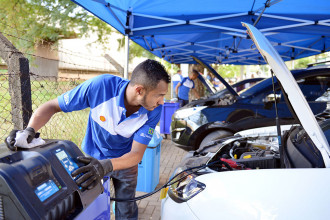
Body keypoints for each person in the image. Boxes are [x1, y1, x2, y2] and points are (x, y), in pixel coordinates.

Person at [5, 59, 170, 220]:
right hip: (92, 161)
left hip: (126, 163)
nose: (162, 101)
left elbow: (136, 153)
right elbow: (53, 106)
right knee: (93, 206)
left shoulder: (154, 109)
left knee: (126, 209)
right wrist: (30, 130)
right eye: (160, 95)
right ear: (140, 90)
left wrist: (107, 165)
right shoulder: (101, 87)